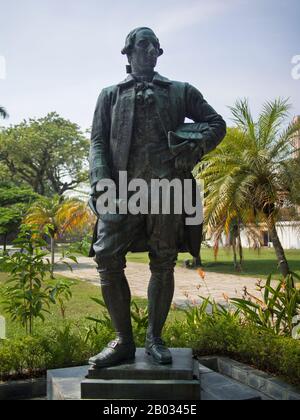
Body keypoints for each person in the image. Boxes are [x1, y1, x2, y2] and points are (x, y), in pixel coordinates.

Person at [88, 27, 226, 367]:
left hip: (167, 190)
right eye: (143, 44)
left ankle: (155, 338)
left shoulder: (180, 91)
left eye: (155, 46)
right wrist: (101, 182)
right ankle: (123, 340)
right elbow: (97, 142)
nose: (151, 51)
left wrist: (194, 148)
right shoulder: (109, 95)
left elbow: (216, 123)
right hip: (122, 191)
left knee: (163, 261)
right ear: (129, 52)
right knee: (106, 257)